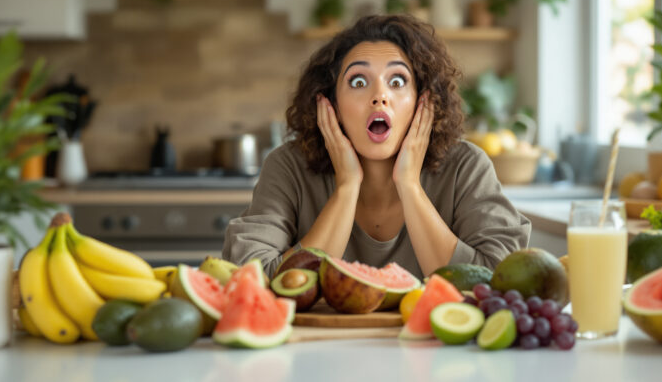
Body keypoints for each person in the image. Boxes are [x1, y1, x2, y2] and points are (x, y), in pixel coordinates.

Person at [223, 14, 530, 279]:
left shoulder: (466, 167)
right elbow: (249, 275)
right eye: (358, 82)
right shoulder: (288, 167)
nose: (380, 96)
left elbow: (502, 278)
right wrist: (346, 187)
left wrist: (410, 186)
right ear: (332, 104)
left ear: (423, 101)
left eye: (397, 81)